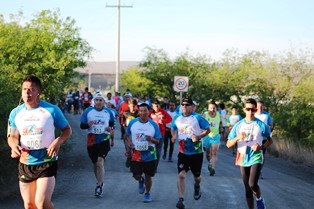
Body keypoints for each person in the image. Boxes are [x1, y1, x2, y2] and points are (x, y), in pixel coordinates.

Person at [7, 75, 72, 209]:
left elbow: (67, 130)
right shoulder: (15, 113)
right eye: (24, 89)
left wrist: (57, 142)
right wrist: (14, 147)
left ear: (38, 92)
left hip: (46, 161)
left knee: (41, 203)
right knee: (29, 205)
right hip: (26, 161)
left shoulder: (51, 110)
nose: (27, 93)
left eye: (30, 90)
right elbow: (12, 136)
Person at [226, 98, 273, 209]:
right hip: (242, 157)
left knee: (252, 184)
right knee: (247, 188)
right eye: (248, 109)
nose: (250, 112)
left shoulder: (261, 125)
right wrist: (238, 137)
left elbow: (270, 140)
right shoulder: (238, 125)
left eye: (253, 109)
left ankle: (259, 199)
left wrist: (261, 147)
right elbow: (228, 144)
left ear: (256, 110)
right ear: (244, 109)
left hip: (256, 156)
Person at [171, 97, 210, 209]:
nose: (184, 106)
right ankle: (181, 200)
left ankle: (197, 185)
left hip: (196, 151)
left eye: (187, 105)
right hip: (183, 151)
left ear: (192, 106)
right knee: (181, 175)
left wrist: (199, 137)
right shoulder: (177, 118)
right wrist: (174, 136)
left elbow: (208, 129)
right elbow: (173, 128)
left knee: (197, 176)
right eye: (182, 104)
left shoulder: (197, 117)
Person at [80, 93, 115, 197]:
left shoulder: (108, 112)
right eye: (97, 100)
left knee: (100, 162)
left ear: (104, 102)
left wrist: (110, 129)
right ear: (94, 102)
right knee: (95, 163)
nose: (99, 102)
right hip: (92, 140)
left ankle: (99, 185)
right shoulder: (88, 111)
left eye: (101, 100)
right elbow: (82, 126)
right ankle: (100, 181)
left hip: (104, 138)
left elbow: (112, 124)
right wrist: (88, 125)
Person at [126, 103, 162, 203]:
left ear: (148, 111)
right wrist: (129, 144)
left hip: (150, 154)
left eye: (145, 111)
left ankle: (147, 194)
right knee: (136, 175)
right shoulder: (133, 122)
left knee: (148, 176)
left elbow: (158, 141)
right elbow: (128, 134)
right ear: (138, 112)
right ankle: (140, 180)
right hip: (136, 154)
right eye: (141, 111)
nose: (142, 113)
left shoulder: (153, 124)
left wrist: (151, 139)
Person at [149, 99, 172, 169]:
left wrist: (162, 120)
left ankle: (155, 166)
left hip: (161, 134)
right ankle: (151, 165)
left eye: (157, 106)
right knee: (151, 150)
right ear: (152, 106)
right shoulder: (150, 112)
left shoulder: (163, 112)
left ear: (159, 105)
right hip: (151, 134)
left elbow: (170, 119)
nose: (156, 107)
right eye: (154, 106)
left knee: (158, 152)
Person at [254, 100, 273, 179]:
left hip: (264, 138)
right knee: (255, 153)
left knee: (262, 155)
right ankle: (254, 170)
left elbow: (271, 125)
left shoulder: (267, 115)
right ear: (256, 107)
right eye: (258, 106)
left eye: (261, 106)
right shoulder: (253, 114)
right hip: (254, 137)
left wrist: (268, 130)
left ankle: (259, 170)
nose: (260, 108)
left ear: (264, 107)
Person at [202, 100, 222, 176]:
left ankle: (213, 168)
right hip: (207, 135)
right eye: (211, 108)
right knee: (207, 153)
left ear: (216, 108)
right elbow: (201, 124)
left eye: (214, 108)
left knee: (214, 152)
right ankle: (210, 163)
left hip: (215, 136)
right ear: (208, 108)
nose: (212, 109)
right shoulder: (205, 115)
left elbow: (220, 124)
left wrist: (221, 129)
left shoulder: (218, 115)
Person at [122, 98, 139, 168]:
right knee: (128, 148)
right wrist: (125, 133)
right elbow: (123, 124)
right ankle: (129, 157)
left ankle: (133, 164)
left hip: (136, 134)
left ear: (135, 106)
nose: (132, 107)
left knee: (134, 149)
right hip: (127, 133)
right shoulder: (125, 113)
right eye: (131, 106)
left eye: (133, 106)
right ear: (128, 105)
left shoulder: (138, 114)